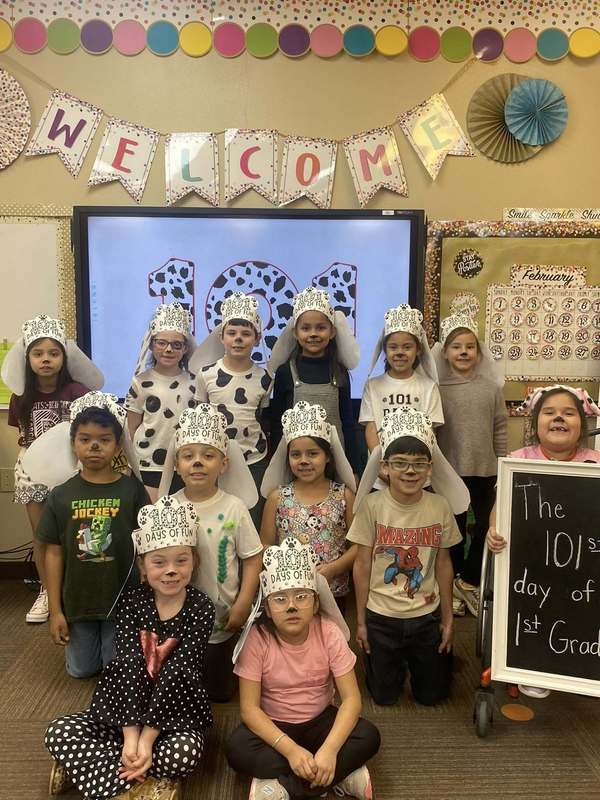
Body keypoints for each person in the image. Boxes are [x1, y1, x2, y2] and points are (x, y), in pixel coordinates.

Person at [45, 494, 215, 800]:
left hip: (175, 712)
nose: (171, 570)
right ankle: (144, 779)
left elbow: (180, 671)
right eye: (159, 562)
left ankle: (98, 771)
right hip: (125, 707)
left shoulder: (201, 606)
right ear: (142, 565)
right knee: (58, 731)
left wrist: (147, 740)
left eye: (181, 560)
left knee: (185, 753)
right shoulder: (132, 602)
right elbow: (127, 664)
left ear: (195, 562)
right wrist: (131, 737)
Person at [226, 536, 380, 800]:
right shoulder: (258, 639)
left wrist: (330, 749)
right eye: (280, 599)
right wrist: (291, 751)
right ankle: (336, 777)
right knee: (237, 748)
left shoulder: (329, 633)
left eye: (301, 596)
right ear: (269, 609)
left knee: (368, 735)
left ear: (317, 602)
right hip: (275, 727)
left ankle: (285, 787)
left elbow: (352, 700)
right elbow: (250, 710)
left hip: (321, 722)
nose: (292, 606)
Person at [348, 406, 469, 707]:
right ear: (384, 468)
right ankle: (389, 663)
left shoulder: (440, 506)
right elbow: (361, 566)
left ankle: (431, 664)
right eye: (400, 463)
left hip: (425, 616)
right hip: (381, 616)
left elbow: (443, 565)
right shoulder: (372, 506)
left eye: (418, 464)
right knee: (384, 697)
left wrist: (448, 620)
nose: (410, 471)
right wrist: (361, 622)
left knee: (432, 697)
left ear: (430, 469)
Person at [486, 383, 600, 699]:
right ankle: (533, 664)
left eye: (567, 413)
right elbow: (499, 509)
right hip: (530, 566)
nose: (558, 418)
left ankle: (580, 660)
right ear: (536, 423)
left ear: (582, 423)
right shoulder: (518, 460)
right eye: (549, 413)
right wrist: (493, 531)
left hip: (586, 567)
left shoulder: (595, 464)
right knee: (532, 599)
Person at [29, 392, 149, 678]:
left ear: (118, 445)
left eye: (104, 440)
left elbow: (146, 543)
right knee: (81, 671)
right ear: (74, 444)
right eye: (85, 439)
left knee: (116, 669)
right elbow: (53, 552)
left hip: (121, 598)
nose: (94, 446)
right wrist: (56, 611)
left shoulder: (131, 490)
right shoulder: (61, 495)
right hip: (78, 599)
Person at [2, 315, 103, 624]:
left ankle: (79, 590)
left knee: (77, 534)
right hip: (33, 474)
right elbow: (21, 432)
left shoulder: (76, 391)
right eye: (38, 353)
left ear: (64, 357)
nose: (46, 359)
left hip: (71, 473)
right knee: (43, 535)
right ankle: (48, 591)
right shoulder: (22, 397)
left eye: (53, 353)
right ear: (27, 358)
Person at [162, 404, 263, 702]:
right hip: (178, 619)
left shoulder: (234, 507)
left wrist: (244, 601)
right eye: (188, 456)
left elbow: (253, 556)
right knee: (182, 691)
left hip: (224, 617)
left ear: (224, 464)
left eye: (208, 456)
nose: (197, 463)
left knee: (220, 693)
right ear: (177, 464)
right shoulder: (169, 509)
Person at [433, 313, 507, 617]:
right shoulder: (436, 388)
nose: (463, 352)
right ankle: (452, 584)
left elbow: (500, 428)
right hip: (450, 471)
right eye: (456, 347)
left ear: (478, 352)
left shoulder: (491, 388)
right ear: (445, 353)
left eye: (470, 347)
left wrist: (503, 464)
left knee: (488, 527)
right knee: (454, 530)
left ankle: (471, 579)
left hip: (486, 470)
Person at [260, 400, 357, 614]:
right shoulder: (277, 498)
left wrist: (334, 568)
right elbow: (265, 546)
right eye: (296, 455)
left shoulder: (344, 496)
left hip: (334, 592)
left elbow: (358, 545)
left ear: (328, 456)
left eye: (313, 454)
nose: (304, 461)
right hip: (290, 596)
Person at [190, 292, 272, 529]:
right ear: (222, 336)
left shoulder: (265, 378)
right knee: (218, 521)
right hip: (216, 460)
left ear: (256, 338)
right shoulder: (206, 375)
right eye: (232, 333)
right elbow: (200, 418)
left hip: (254, 459)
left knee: (250, 519)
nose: (238, 339)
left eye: (246, 334)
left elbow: (262, 418)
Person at [269, 286, 361, 474]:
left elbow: (348, 423)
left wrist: (355, 468)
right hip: (297, 464)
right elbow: (277, 424)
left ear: (332, 332)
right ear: (295, 333)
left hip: (335, 462)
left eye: (320, 328)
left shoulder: (340, 372)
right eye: (305, 328)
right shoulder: (286, 372)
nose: (313, 334)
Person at [359, 303, 443, 493]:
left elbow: (431, 432)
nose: (399, 352)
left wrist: (417, 467)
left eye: (407, 347)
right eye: (393, 347)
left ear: (418, 350)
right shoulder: (373, 386)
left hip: (417, 476)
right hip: (381, 477)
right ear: (385, 350)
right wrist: (382, 466)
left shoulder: (428, 387)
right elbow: (371, 428)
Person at [125, 303, 197, 502]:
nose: (168, 349)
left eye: (176, 344)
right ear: (151, 344)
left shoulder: (195, 382)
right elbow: (130, 429)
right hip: (148, 464)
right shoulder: (140, 382)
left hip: (183, 463)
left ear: (185, 349)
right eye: (161, 342)